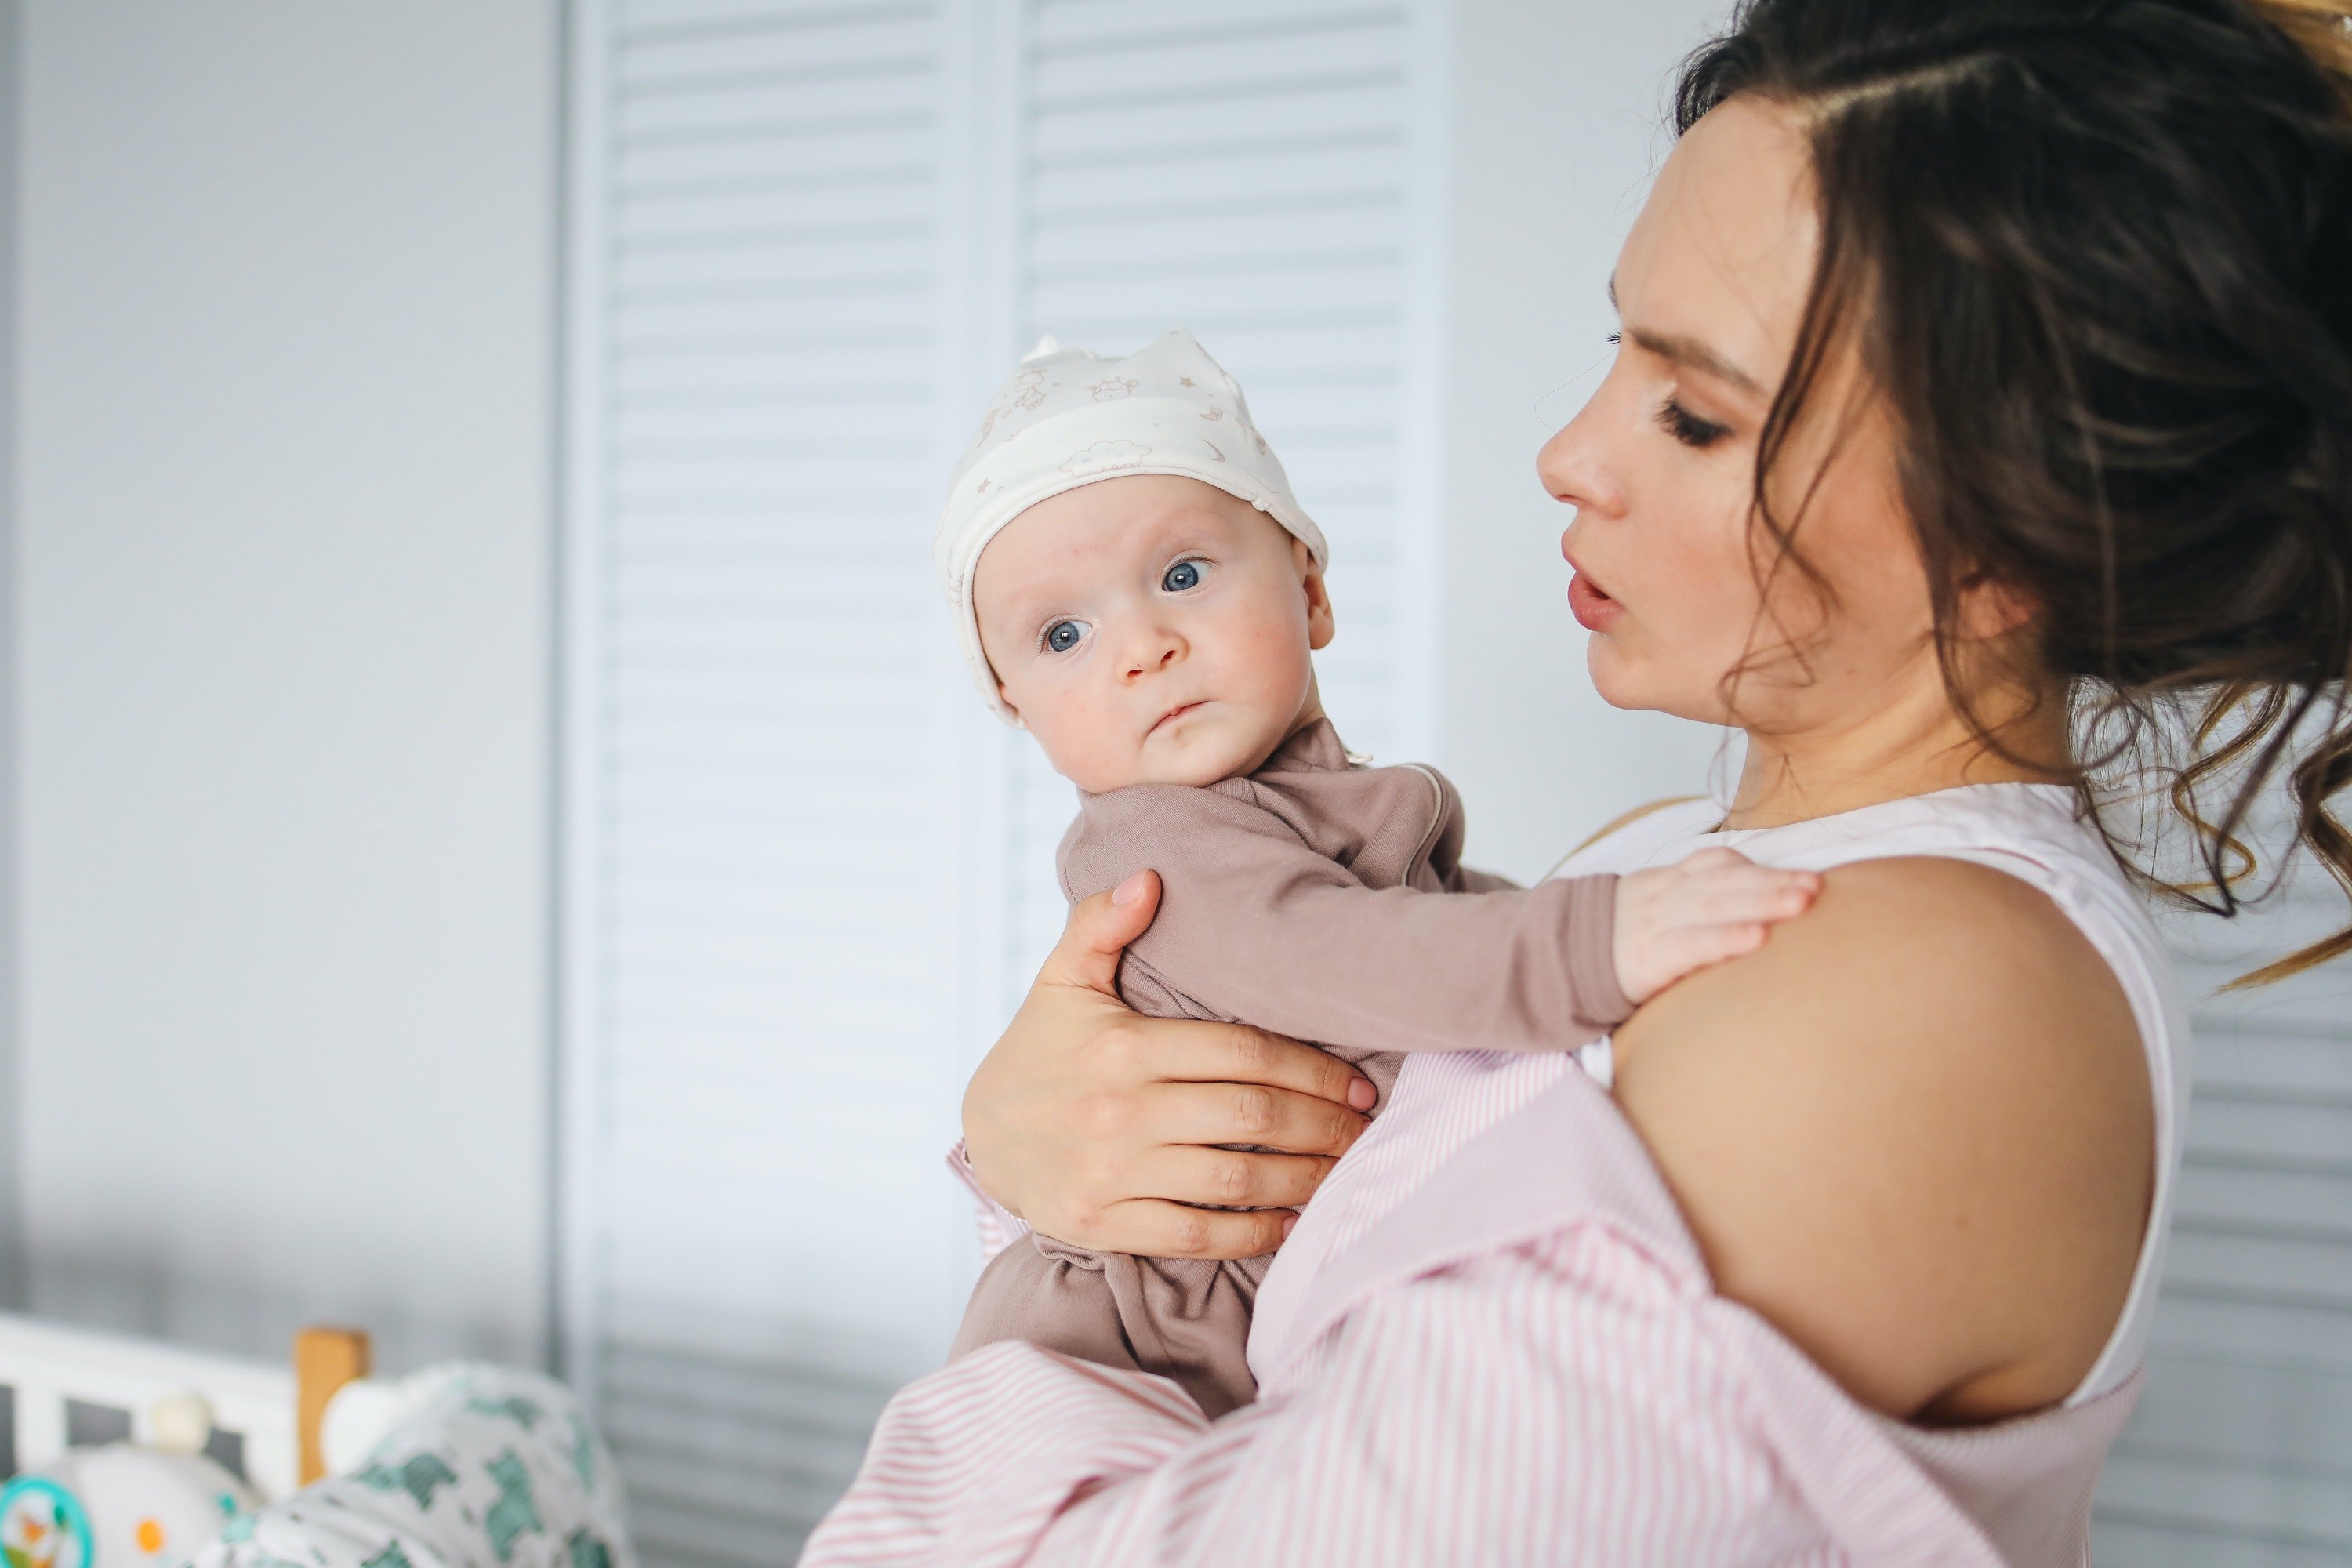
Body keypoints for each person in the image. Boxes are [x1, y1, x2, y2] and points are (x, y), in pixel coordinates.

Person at [803, 0, 2352, 1560]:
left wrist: (985, 1371)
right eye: (1618, 347)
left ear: (2024, 527)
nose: (1565, 451)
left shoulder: (1914, 999)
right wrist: (1036, 1140)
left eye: (1693, 410)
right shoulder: (1679, 847)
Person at [936, 329, 1819, 1418]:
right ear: (1018, 711)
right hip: (1116, 1361)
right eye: (1063, 633)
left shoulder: (1316, 805)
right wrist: (1598, 940)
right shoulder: (1155, 843)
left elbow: (1425, 937)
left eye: (1180, 574)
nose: (1141, 645)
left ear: (1310, 592)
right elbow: (1338, 956)